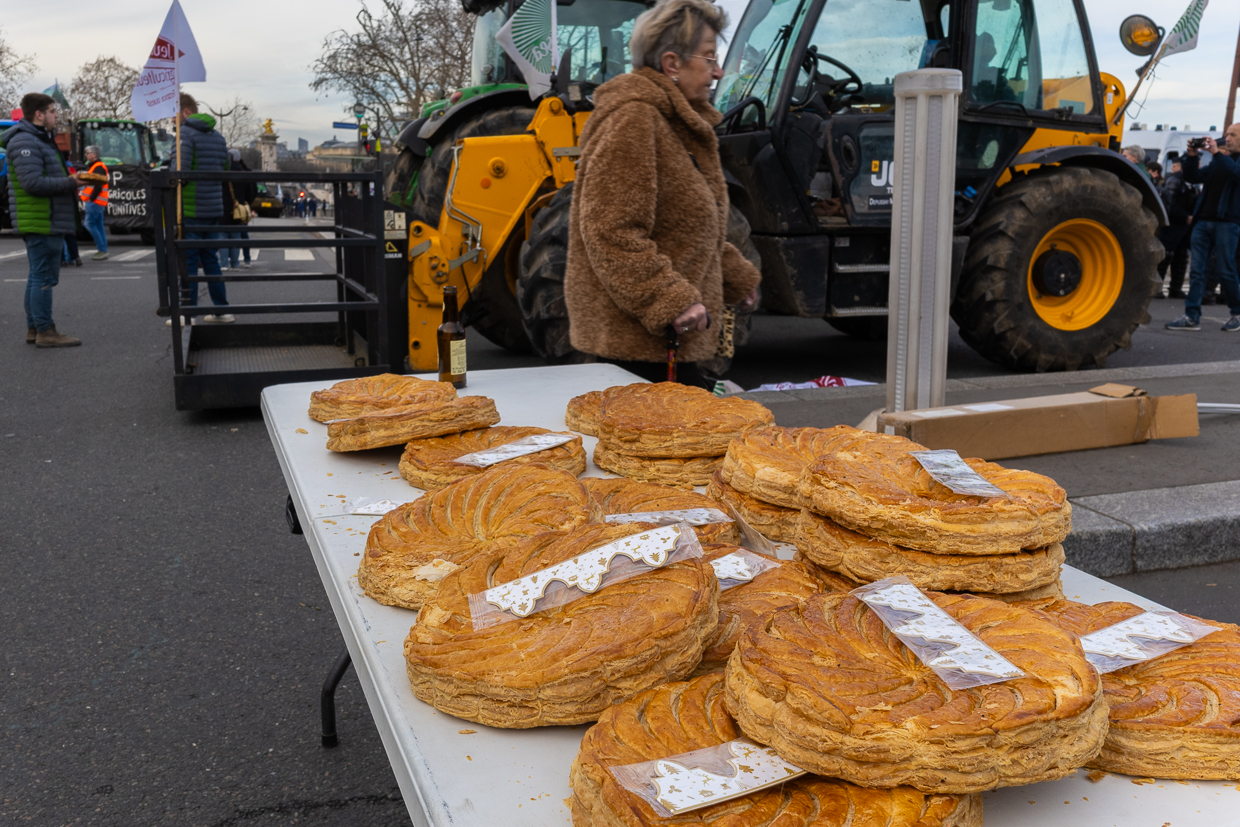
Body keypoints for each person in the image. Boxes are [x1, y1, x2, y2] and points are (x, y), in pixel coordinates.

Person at [564, 0, 760, 387]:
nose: (718, 71)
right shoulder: (634, 119)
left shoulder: (674, 124)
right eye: (708, 58)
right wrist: (669, 299)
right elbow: (610, 231)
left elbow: (688, 226)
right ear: (672, 64)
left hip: (665, 342)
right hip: (638, 350)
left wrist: (737, 276)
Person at [0, 92, 83, 347]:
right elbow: (32, 183)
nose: (56, 115)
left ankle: (34, 328)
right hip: (42, 219)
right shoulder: (27, 141)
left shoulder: (36, 139)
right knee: (44, 278)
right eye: (52, 111)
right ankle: (46, 331)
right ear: (39, 114)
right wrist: (71, 183)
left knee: (37, 276)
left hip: (44, 218)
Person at [1166, 125, 1240, 332]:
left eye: (1233, 135)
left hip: (1227, 222)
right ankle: (1192, 317)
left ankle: (1237, 312)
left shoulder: (1225, 161)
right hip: (1202, 222)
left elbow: (1235, 173)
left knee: (1226, 269)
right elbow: (1193, 177)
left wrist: (1216, 153)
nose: (1228, 138)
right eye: (1227, 134)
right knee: (1197, 271)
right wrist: (1191, 156)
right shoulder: (1218, 163)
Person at [172, 93, 234, 323]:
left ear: (186, 112)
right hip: (213, 208)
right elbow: (225, 167)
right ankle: (222, 310)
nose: (171, 120)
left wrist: (169, 165)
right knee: (211, 260)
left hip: (191, 208)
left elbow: (181, 171)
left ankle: (188, 311)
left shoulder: (185, 134)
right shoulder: (218, 137)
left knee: (188, 262)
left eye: (174, 114)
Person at [1156, 157, 1196, 299]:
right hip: (1174, 224)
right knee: (1166, 256)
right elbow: (1169, 204)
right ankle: (1156, 288)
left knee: (1181, 257)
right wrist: (1185, 216)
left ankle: (1175, 288)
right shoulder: (1175, 180)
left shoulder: (1189, 181)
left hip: (1184, 225)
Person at [222, 148, 255, 269]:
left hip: (224, 210)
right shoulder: (245, 173)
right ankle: (235, 264)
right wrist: (244, 203)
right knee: (237, 237)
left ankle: (224, 263)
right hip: (239, 209)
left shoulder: (222, 171)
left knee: (223, 238)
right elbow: (251, 193)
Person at [79, 144, 109, 260]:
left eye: (88, 153)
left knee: (89, 224)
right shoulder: (97, 166)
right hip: (98, 201)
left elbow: (98, 185)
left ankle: (102, 249)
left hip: (95, 202)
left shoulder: (98, 167)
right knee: (99, 225)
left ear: (94, 155)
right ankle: (103, 250)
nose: (86, 155)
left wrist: (91, 198)